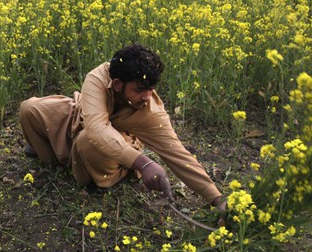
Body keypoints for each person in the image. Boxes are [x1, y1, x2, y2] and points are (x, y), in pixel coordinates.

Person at [19, 43, 226, 211]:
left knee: (88, 142)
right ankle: (58, 160)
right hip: (80, 117)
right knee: (30, 109)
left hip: (108, 143)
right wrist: (145, 164)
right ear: (117, 84)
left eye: (151, 90)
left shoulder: (150, 112)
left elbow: (179, 155)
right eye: (140, 90)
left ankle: (104, 176)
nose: (147, 97)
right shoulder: (98, 77)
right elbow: (96, 127)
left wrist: (217, 200)